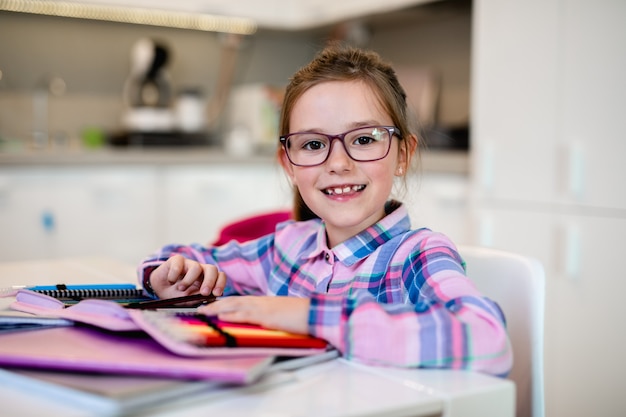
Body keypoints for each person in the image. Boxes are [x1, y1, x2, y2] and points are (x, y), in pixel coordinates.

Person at [138, 43, 513, 376]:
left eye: (364, 139)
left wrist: (302, 315)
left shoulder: (418, 256)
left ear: (403, 155)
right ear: (289, 164)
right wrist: (168, 276)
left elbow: (486, 337)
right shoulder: (285, 248)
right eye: (314, 144)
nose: (338, 163)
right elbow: (182, 258)